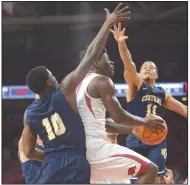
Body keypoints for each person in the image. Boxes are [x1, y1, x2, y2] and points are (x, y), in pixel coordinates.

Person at [21, 4, 131, 184]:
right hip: (75, 162)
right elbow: (91, 55)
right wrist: (107, 23)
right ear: (49, 82)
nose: (56, 78)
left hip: (50, 167)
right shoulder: (63, 92)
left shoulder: (29, 114)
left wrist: (52, 157)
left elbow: (29, 151)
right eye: (53, 76)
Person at [76, 46, 166, 183]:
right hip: (96, 149)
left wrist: (133, 130)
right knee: (150, 170)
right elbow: (119, 116)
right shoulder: (102, 81)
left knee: (123, 182)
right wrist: (144, 122)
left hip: (80, 150)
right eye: (107, 59)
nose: (112, 62)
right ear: (95, 63)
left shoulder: (77, 84)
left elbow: (105, 124)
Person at [111, 23, 187, 183]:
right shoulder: (135, 85)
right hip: (136, 137)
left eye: (151, 68)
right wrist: (121, 44)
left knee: (158, 179)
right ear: (139, 72)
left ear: (157, 74)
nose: (147, 69)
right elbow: (128, 64)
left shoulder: (162, 92)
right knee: (135, 179)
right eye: (144, 67)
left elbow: (184, 110)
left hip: (157, 139)